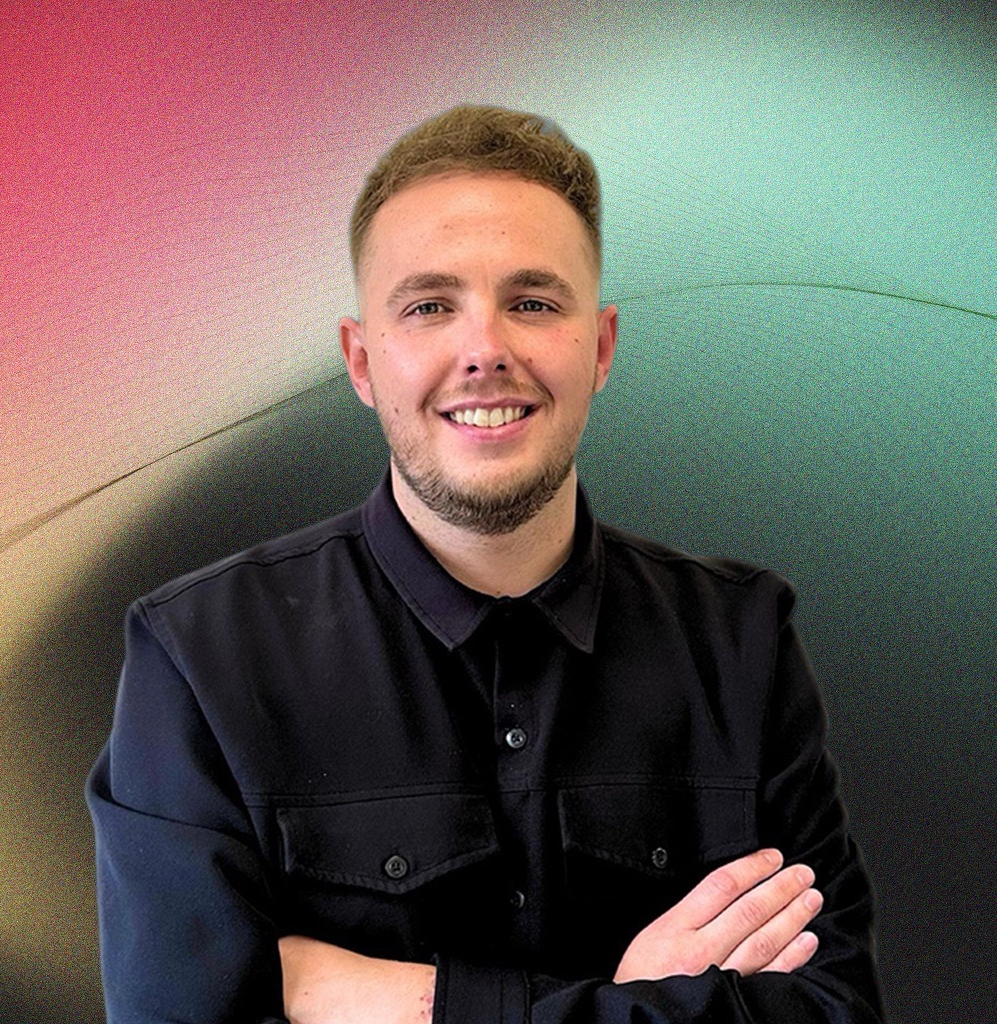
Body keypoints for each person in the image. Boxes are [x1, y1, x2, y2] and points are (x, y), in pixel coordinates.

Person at [87, 105, 885, 1024]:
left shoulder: (743, 642)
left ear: (601, 348)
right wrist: (633, 1004)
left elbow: (836, 1009)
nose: (486, 352)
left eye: (533, 303)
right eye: (430, 306)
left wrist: (398, 999)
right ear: (360, 362)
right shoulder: (197, 657)